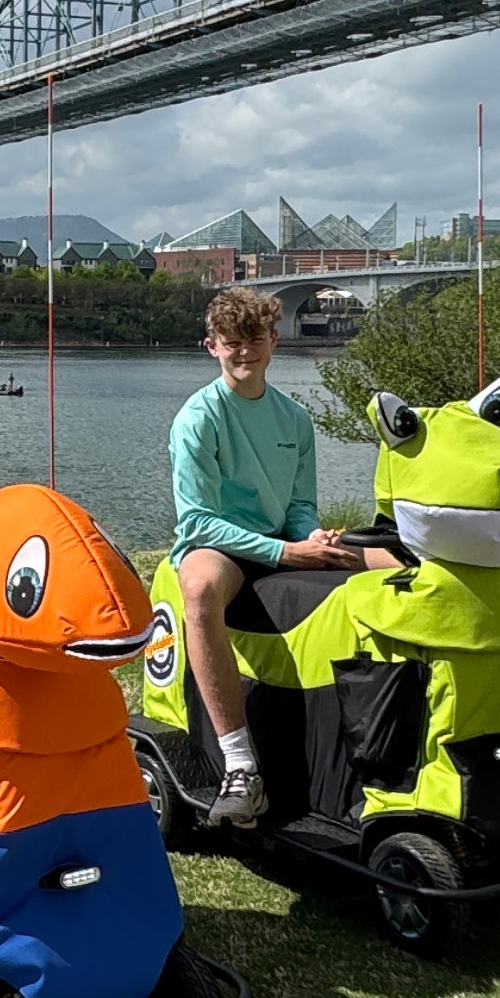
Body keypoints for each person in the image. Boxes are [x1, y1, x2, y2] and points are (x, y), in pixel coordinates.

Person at [170, 286, 360, 828]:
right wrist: (285, 550)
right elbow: (197, 520)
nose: (244, 352)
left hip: (280, 539)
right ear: (212, 347)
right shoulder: (197, 418)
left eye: (255, 340)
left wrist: (314, 536)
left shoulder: (295, 419)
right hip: (218, 546)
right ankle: (239, 766)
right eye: (232, 343)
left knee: (386, 564)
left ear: (274, 340)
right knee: (200, 586)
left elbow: (299, 505)